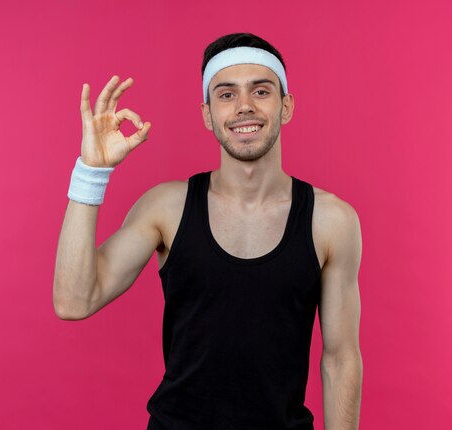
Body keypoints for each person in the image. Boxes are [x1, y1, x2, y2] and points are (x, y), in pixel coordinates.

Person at [53, 32, 363, 430]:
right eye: (227, 94)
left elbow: (340, 359)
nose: (245, 107)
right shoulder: (166, 207)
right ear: (207, 113)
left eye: (261, 91)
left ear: (286, 106)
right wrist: (91, 172)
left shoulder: (331, 221)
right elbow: (74, 300)